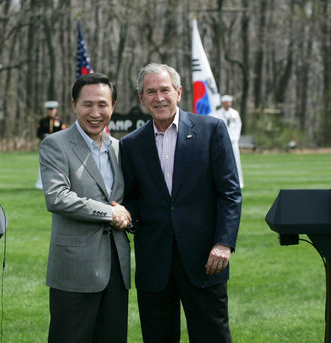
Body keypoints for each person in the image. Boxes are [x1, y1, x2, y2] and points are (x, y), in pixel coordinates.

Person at [120, 63, 242, 343]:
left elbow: (229, 192)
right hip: (154, 262)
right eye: (150, 92)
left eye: (165, 90)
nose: (159, 97)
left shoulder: (211, 130)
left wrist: (224, 243)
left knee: (212, 336)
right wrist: (127, 216)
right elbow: (131, 197)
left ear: (178, 92)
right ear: (141, 98)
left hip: (205, 259)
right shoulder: (131, 144)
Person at [39, 73, 132, 343]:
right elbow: (57, 197)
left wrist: (127, 217)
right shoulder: (55, 144)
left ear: (113, 106)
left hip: (116, 268)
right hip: (73, 270)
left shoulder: (120, 148)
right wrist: (110, 213)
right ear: (74, 105)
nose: (95, 112)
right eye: (87, 104)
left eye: (102, 104)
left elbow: (128, 201)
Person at [213, 95, 244, 188]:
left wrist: (235, 137)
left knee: (236, 160)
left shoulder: (235, 113)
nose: (228, 104)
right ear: (223, 103)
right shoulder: (217, 114)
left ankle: (239, 181)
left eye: (229, 102)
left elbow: (238, 126)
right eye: (226, 102)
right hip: (222, 141)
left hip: (233, 141)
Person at [36, 100, 65, 189]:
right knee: (43, 163)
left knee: (58, 164)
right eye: (49, 110)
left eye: (53, 109)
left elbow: (64, 132)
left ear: (55, 110)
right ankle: (40, 184)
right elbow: (38, 133)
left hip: (57, 145)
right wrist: (44, 136)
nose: (51, 111)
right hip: (46, 145)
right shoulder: (42, 121)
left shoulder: (59, 121)